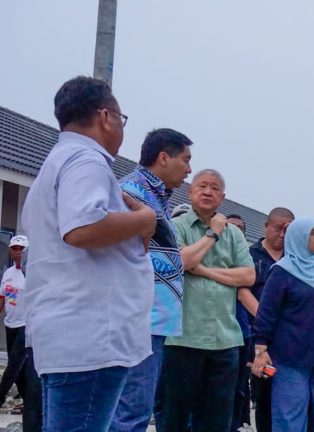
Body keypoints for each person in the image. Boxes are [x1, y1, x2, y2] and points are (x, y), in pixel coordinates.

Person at [21, 76, 156, 431]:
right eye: (121, 118)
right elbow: (83, 227)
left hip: (70, 333)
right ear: (105, 117)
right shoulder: (87, 160)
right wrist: (145, 219)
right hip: (92, 335)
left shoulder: (57, 162)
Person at [110, 128, 192, 432]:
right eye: (185, 160)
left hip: (153, 318)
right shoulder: (130, 192)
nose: (189, 169)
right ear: (163, 158)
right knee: (130, 412)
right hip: (138, 316)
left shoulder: (157, 198)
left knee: (135, 410)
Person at [162, 169, 256, 431]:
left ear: (222, 197)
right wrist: (212, 234)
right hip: (182, 337)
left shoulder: (234, 234)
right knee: (175, 416)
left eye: (215, 188)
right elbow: (181, 262)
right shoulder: (175, 226)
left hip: (225, 338)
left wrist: (203, 270)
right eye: (202, 186)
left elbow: (248, 275)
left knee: (218, 417)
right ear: (190, 192)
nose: (208, 192)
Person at [251, 219, 314, 431]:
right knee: (290, 417)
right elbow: (266, 314)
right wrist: (260, 350)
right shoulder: (282, 271)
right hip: (290, 358)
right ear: (299, 238)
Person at [238, 207, 294, 432]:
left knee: (289, 393)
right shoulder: (250, 254)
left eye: (287, 230)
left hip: (289, 336)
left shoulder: (296, 257)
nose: (281, 234)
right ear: (266, 226)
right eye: (277, 228)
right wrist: (266, 318)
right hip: (258, 335)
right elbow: (242, 291)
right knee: (263, 393)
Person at [227, 212, 254, 432]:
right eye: (231, 227)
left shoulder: (247, 257)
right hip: (212, 331)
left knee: (239, 386)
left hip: (242, 332)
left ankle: (238, 425)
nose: (236, 231)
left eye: (240, 228)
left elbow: (247, 280)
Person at [0, 235, 29, 412]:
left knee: (14, 365)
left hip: (25, 324)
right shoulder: (8, 273)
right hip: (10, 324)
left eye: (21, 249)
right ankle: (29, 402)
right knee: (19, 368)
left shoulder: (31, 273)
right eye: (15, 248)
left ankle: (0, 396)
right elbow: (2, 297)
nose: (18, 252)